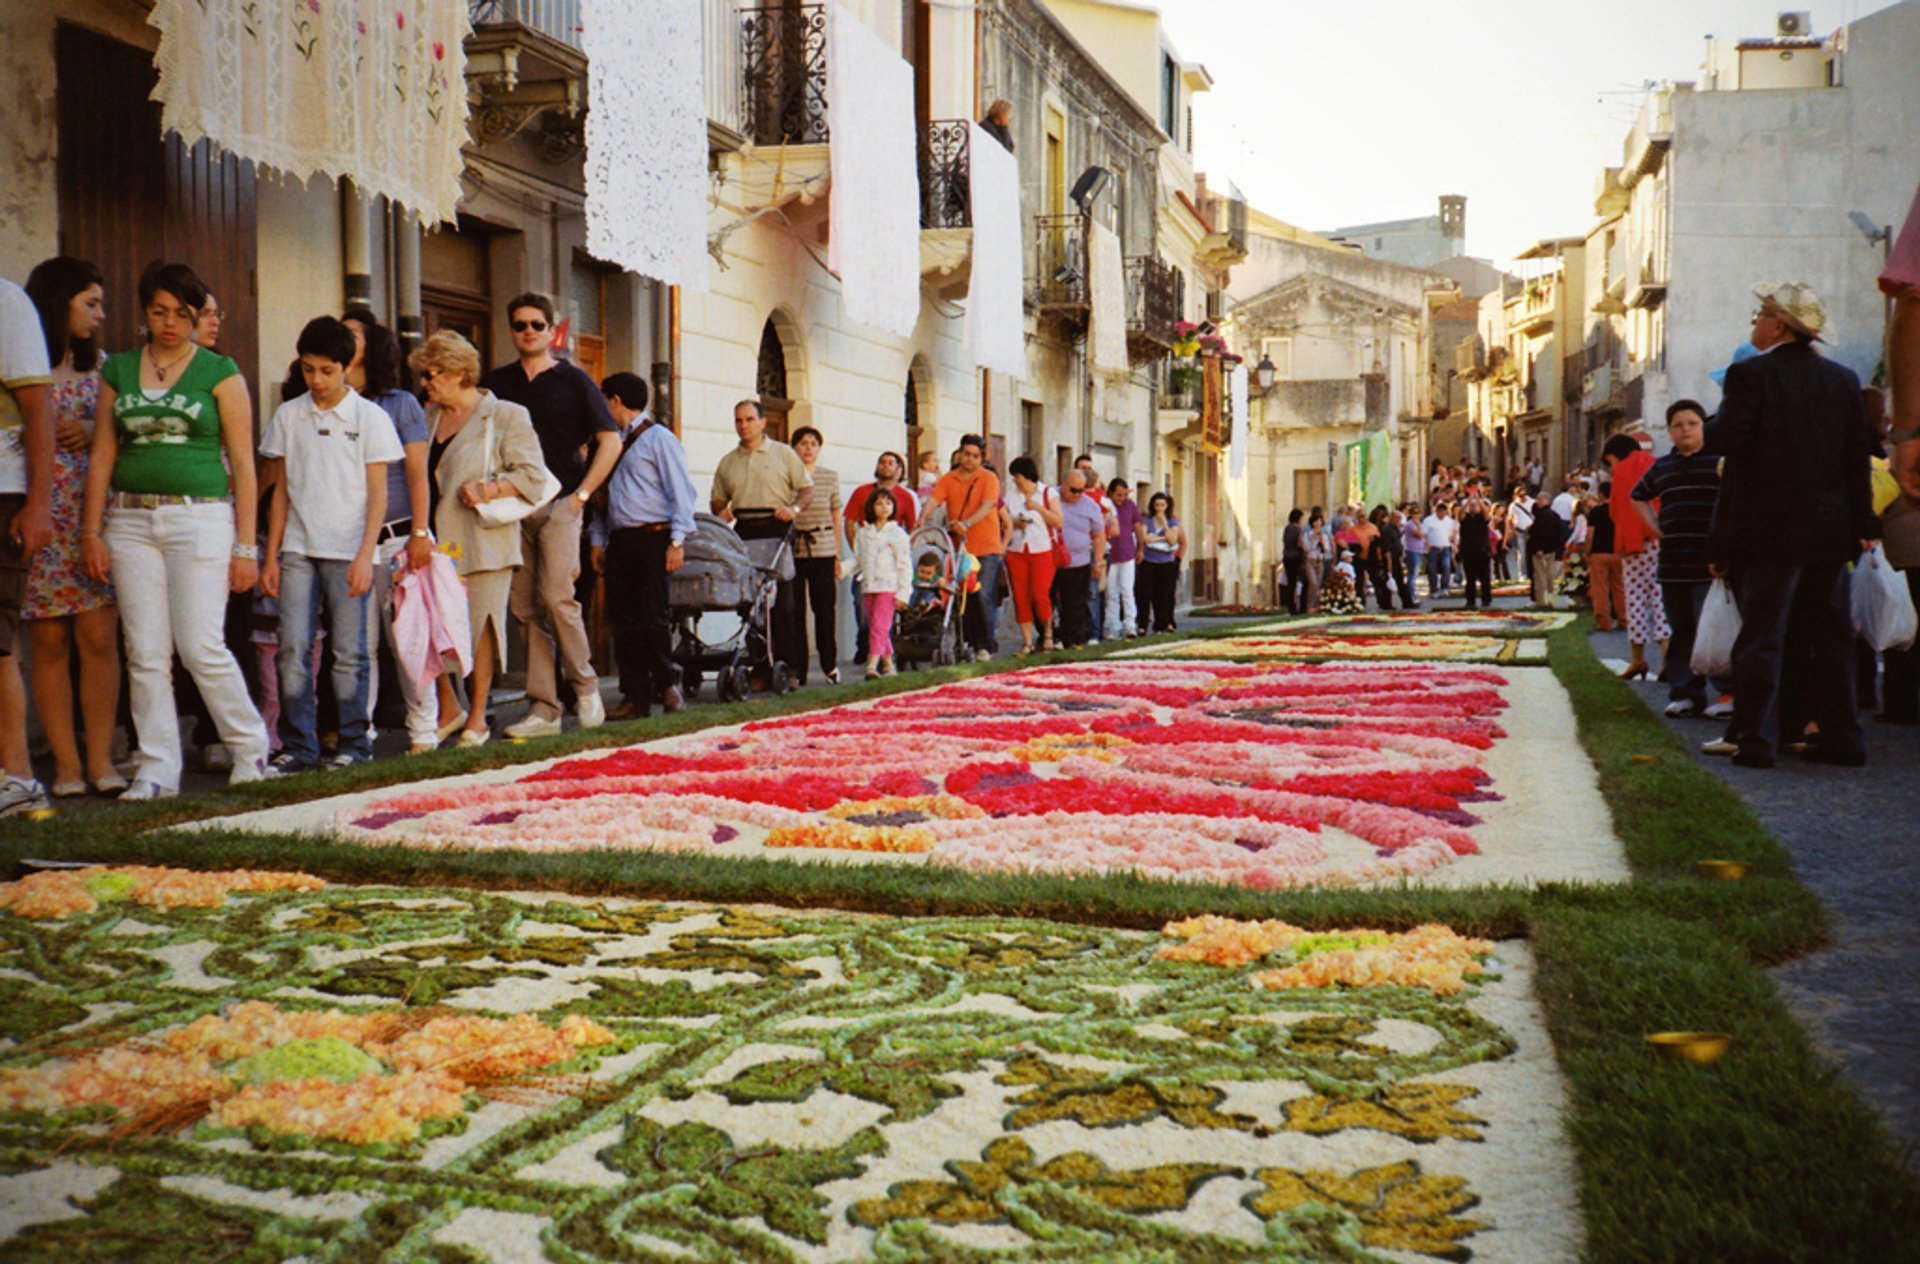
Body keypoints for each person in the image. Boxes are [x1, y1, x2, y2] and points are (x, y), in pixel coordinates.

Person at [79, 262, 265, 798]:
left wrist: (246, 546)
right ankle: (157, 768)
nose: (169, 323)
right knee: (144, 651)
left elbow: (244, 464)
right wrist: (91, 531)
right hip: (129, 520)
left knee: (201, 645)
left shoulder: (220, 371)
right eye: (158, 312)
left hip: (200, 516)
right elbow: (103, 453)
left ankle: (248, 747)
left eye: (181, 313)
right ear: (144, 313)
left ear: (197, 314)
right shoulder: (120, 368)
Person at [1701, 282, 1877, 768]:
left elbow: (1726, 438)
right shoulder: (1842, 379)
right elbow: (1854, 459)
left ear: (1778, 324)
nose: (1754, 324)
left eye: (1759, 316)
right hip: (1827, 529)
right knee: (1831, 637)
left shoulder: (1749, 375)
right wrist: (1862, 521)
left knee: (1762, 637)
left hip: (1768, 528)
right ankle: (1845, 738)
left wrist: (1713, 423)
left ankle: (1756, 738)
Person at [258, 316, 402, 772]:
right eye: (308, 369)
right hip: (298, 548)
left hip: (349, 552)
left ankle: (353, 745)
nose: (316, 380)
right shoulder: (289, 415)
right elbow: (280, 490)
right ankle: (299, 746)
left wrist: (366, 555)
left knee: (350, 653)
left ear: (346, 366)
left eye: (326, 371)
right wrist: (272, 554)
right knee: (292, 649)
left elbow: (378, 494)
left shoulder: (371, 418)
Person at [480, 293, 618, 739]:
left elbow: (609, 440)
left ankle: (585, 685)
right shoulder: (497, 383)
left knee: (558, 596)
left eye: (536, 325)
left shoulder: (575, 381)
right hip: (512, 508)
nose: (528, 332)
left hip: (560, 503)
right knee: (524, 607)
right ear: (510, 330)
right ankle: (544, 707)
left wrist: (581, 496)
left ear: (551, 329)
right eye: (520, 325)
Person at [412, 330, 550, 747]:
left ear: (458, 373)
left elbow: (533, 476)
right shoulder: (427, 418)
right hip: (435, 543)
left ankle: (477, 717)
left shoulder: (506, 414)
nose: (426, 382)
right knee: (434, 626)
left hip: (484, 540)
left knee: (481, 629)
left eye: (432, 373)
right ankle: (448, 707)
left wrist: (488, 490)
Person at [22, 258, 121, 797]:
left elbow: (124, 432)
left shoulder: (103, 369)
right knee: (49, 640)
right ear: (60, 302)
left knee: (99, 635)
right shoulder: (20, 364)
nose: (101, 315)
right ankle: (64, 765)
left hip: (91, 518)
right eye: (91, 303)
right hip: (39, 515)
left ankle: (103, 759)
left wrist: (88, 426)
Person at [338, 307, 443, 754]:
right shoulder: (330, 402)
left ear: (372, 344)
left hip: (400, 537)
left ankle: (424, 732)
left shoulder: (399, 403)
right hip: (348, 540)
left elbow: (418, 473)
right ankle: (360, 736)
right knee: (357, 645)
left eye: (353, 334)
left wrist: (421, 533)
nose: (344, 339)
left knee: (410, 639)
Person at [591, 372, 697, 720]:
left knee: (652, 616)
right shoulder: (607, 441)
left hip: (654, 537)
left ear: (616, 400)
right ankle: (634, 696)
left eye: (604, 398)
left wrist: (677, 541)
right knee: (622, 621)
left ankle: (667, 685)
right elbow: (603, 498)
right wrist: (597, 541)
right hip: (621, 540)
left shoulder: (659, 439)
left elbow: (681, 492)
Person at [1632, 399, 1730, 719]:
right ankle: (1686, 693)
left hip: (1711, 564)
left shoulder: (1720, 462)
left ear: (1703, 427)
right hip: (1673, 564)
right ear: (1670, 432)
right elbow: (1638, 496)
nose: (1685, 430)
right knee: (1682, 631)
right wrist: (1655, 528)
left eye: (1692, 423)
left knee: (1714, 629)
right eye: (1678, 425)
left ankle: (1728, 692)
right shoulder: (1662, 467)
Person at [710, 400, 814, 687]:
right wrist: (721, 511)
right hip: (744, 530)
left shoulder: (783, 454)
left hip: (777, 528)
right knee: (750, 604)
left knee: (783, 604)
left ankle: (789, 668)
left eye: (749, 420)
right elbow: (717, 497)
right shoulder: (728, 461)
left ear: (762, 422)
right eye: (738, 420)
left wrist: (793, 510)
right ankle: (759, 668)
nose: (744, 426)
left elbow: (806, 489)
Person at [927, 434, 1003, 660]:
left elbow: (988, 505)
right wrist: (922, 519)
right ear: (959, 454)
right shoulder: (948, 479)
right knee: (963, 597)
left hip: (986, 547)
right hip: (959, 548)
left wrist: (966, 523)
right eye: (966, 454)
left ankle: (986, 645)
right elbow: (934, 501)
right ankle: (969, 641)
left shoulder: (989, 478)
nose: (970, 459)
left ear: (981, 458)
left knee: (982, 595)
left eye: (975, 456)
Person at [1603, 435, 1670, 680]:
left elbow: (1618, 508)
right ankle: (1667, 659)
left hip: (1632, 543)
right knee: (1661, 599)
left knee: (1636, 600)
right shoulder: (1655, 462)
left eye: (1609, 461)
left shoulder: (1622, 471)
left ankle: (1638, 660)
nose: (1610, 468)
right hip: (1659, 539)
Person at [844, 450, 916, 662]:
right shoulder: (861, 492)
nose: (885, 466)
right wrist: (860, 551)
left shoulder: (905, 497)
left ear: (899, 469)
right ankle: (868, 645)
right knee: (861, 606)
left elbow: (912, 529)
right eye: (881, 462)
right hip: (866, 564)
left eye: (890, 463)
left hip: (889, 569)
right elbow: (849, 521)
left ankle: (874, 660)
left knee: (882, 618)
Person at [786, 426, 843, 685]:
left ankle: (829, 664)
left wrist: (837, 555)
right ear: (794, 447)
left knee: (824, 609)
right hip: (795, 548)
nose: (808, 448)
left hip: (823, 546)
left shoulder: (829, 477)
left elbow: (836, 516)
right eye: (803, 443)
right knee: (795, 610)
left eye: (813, 443)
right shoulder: (786, 476)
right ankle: (798, 669)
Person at [1002, 456, 1061, 655]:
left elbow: (1058, 521)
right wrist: (1014, 522)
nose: (1015, 480)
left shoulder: (1047, 492)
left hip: (1041, 550)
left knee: (1039, 594)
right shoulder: (1011, 495)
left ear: (1027, 476)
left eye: (1017, 476)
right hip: (1017, 550)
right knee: (1020, 596)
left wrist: (1038, 508)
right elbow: (1003, 518)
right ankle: (1027, 641)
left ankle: (1047, 633)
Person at [851, 486, 912, 678]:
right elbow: (858, 561)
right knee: (877, 627)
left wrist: (903, 593)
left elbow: (904, 566)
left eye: (888, 503)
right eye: (879, 503)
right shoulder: (863, 534)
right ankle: (888, 664)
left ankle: (872, 664)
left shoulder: (898, 535)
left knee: (879, 625)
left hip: (888, 586)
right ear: (871, 507)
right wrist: (842, 569)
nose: (884, 507)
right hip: (869, 586)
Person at [1053, 470, 1108, 648]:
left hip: (1079, 561)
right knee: (1047, 600)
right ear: (1063, 484)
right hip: (1052, 559)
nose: (1077, 494)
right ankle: (1052, 636)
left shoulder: (1090, 505)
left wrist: (1098, 563)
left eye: (1080, 490)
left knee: (1075, 603)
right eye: (1073, 490)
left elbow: (1099, 535)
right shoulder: (1052, 497)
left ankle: (1072, 639)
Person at [1138, 491, 1183, 632]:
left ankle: (1162, 624)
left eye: (1162, 505)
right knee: (1145, 594)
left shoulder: (1172, 521)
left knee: (1164, 595)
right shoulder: (1147, 521)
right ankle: (1143, 625)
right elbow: (1144, 538)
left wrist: (1164, 524)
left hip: (1166, 563)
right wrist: (1162, 538)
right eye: (1157, 505)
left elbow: (1173, 540)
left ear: (1167, 506)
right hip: (1149, 562)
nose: (1159, 508)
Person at [1104, 478, 1142, 636]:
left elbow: (1138, 527)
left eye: (1124, 495)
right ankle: (1113, 625)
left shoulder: (1130, 506)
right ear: (1111, 492)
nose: (1121, 498)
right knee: (1111, 592)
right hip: (1111, 555)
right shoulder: (1106, 505)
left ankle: (1130, 624)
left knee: (1127, 590)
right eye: (1118, 495)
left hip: (1127, 554)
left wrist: (1141, 548)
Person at [1585, 493, 1622, 632]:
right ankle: (1623, 619)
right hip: (1618, 553)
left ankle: (1604, 622)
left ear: (1600, 495)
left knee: (1600, 588)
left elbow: (1590, 534)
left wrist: (1587, 551)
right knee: (1620, 587)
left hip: (1599, 553)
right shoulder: (1620, 510)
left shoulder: (1596, 512)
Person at [1525, 489, 1566, 607]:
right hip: (1551, 550)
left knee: (1540, 576)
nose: (1537, 502)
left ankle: (1541, 602)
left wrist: (1539, 548)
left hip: (1541, 550)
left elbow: (1540, 534)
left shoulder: (1542, 516)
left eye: (1539, 499)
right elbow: (1559, 534)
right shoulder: (1555, 515)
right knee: (1549, 576)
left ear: (1544, 500)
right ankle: (1551, 600)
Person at [1457, 490, 1493, 608]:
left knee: (1485, 578)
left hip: (1482, 551)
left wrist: (1479, 500)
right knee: (1470, 579)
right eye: (1471, 506)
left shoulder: (1482, 518)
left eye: (1475, 506)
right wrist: (1468, 502)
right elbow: (1460, 513)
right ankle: (1470, 601)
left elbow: (1487, 513)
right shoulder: (1465, 518)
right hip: (1468, 552)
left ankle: (1486, 600)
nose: (1473, 508)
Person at [1421, 502, 1453, 599]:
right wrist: (1426, 544)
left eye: (1444, 513)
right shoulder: (1428, 520)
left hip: (1445, 547)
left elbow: (1452, 534)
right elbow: (1424, 534)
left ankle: (1445, 588)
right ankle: (1433, 589)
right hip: (1433, 548)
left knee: (1446, 567)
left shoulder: (1449, 521)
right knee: (1432, 569)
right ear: (1437, 511)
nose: (1442, 515)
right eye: (1441, 513)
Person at [1302, 508, 1330, 613]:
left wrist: (1322, 541)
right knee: (1312, 582)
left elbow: (1326, 549)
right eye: (1316, 521)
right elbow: (1307, 548)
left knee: (1317, 584)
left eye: (1320, 521)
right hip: (1310, 560)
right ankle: (1309, 605)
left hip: (1319, 560)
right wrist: (1314, 539)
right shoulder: (1307, 535)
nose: (1318, 523)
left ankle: (1315, 605)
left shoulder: (1324, 535)